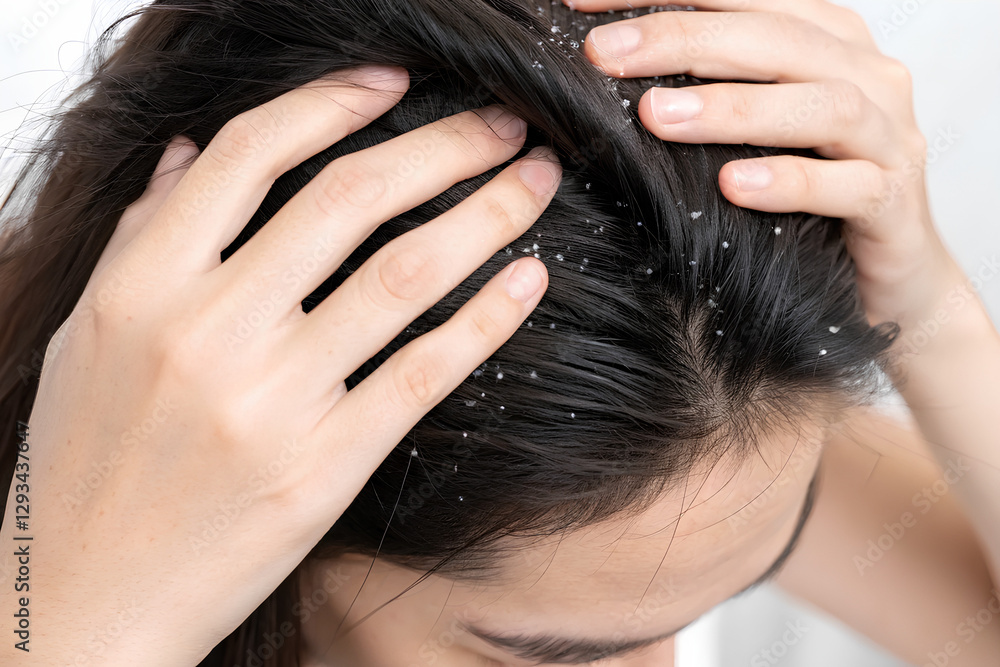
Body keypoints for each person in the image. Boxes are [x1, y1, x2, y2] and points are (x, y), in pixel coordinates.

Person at [0, 0, 998, 665]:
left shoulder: (688, 447)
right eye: (545, 658)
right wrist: (69, 623)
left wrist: (931, 308)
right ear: (256, 491)